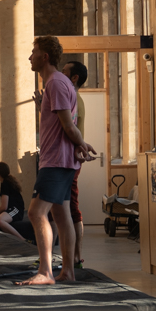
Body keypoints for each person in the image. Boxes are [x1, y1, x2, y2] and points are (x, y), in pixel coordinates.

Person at [18, 35, 95, 285]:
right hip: (58, 159)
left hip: (56, 161)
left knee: (36, 212)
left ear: (45, 56)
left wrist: (81, 143)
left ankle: (46, 272)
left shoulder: (56, 83)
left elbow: (69, 126)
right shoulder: (56, 83)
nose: (30, 57)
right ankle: (68, 272)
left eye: (34, 52)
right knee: (61, 216)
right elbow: (62, 123)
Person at [61, 60, 89, 271]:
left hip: (70, 161)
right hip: (65, 159)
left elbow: (70, 129)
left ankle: (77, 258)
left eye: (64, 72)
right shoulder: (71, 97)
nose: (60, 75)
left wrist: (80, 147)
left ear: (74, 77)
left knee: (71, 209)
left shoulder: (74, 99)